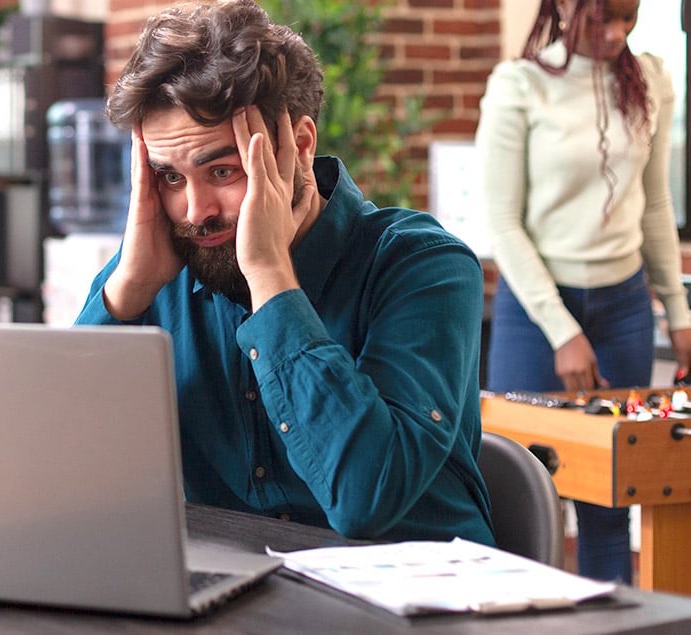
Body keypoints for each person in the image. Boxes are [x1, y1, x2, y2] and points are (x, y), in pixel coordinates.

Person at [75, 0, 493, 544]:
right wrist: (124, 291)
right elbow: (63, 471)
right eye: (170, 179)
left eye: (221, 170)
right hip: (247, 602)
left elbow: (366, 497)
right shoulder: (157, 268)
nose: (195, 210)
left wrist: (270, 277)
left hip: (419, 607)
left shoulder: (423, 266)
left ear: (297, 147)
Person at [475, 0, 690, 583]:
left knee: (611, 504)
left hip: (623, 308)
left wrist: (678, 312)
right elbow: (503, 221)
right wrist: (562, 330)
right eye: (601, 18)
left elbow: (655, 207)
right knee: (522, 490)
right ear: (564, 6)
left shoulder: (651, 80)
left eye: (628, 16)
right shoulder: (519, 86)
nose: (616, 33)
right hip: (535, 312)